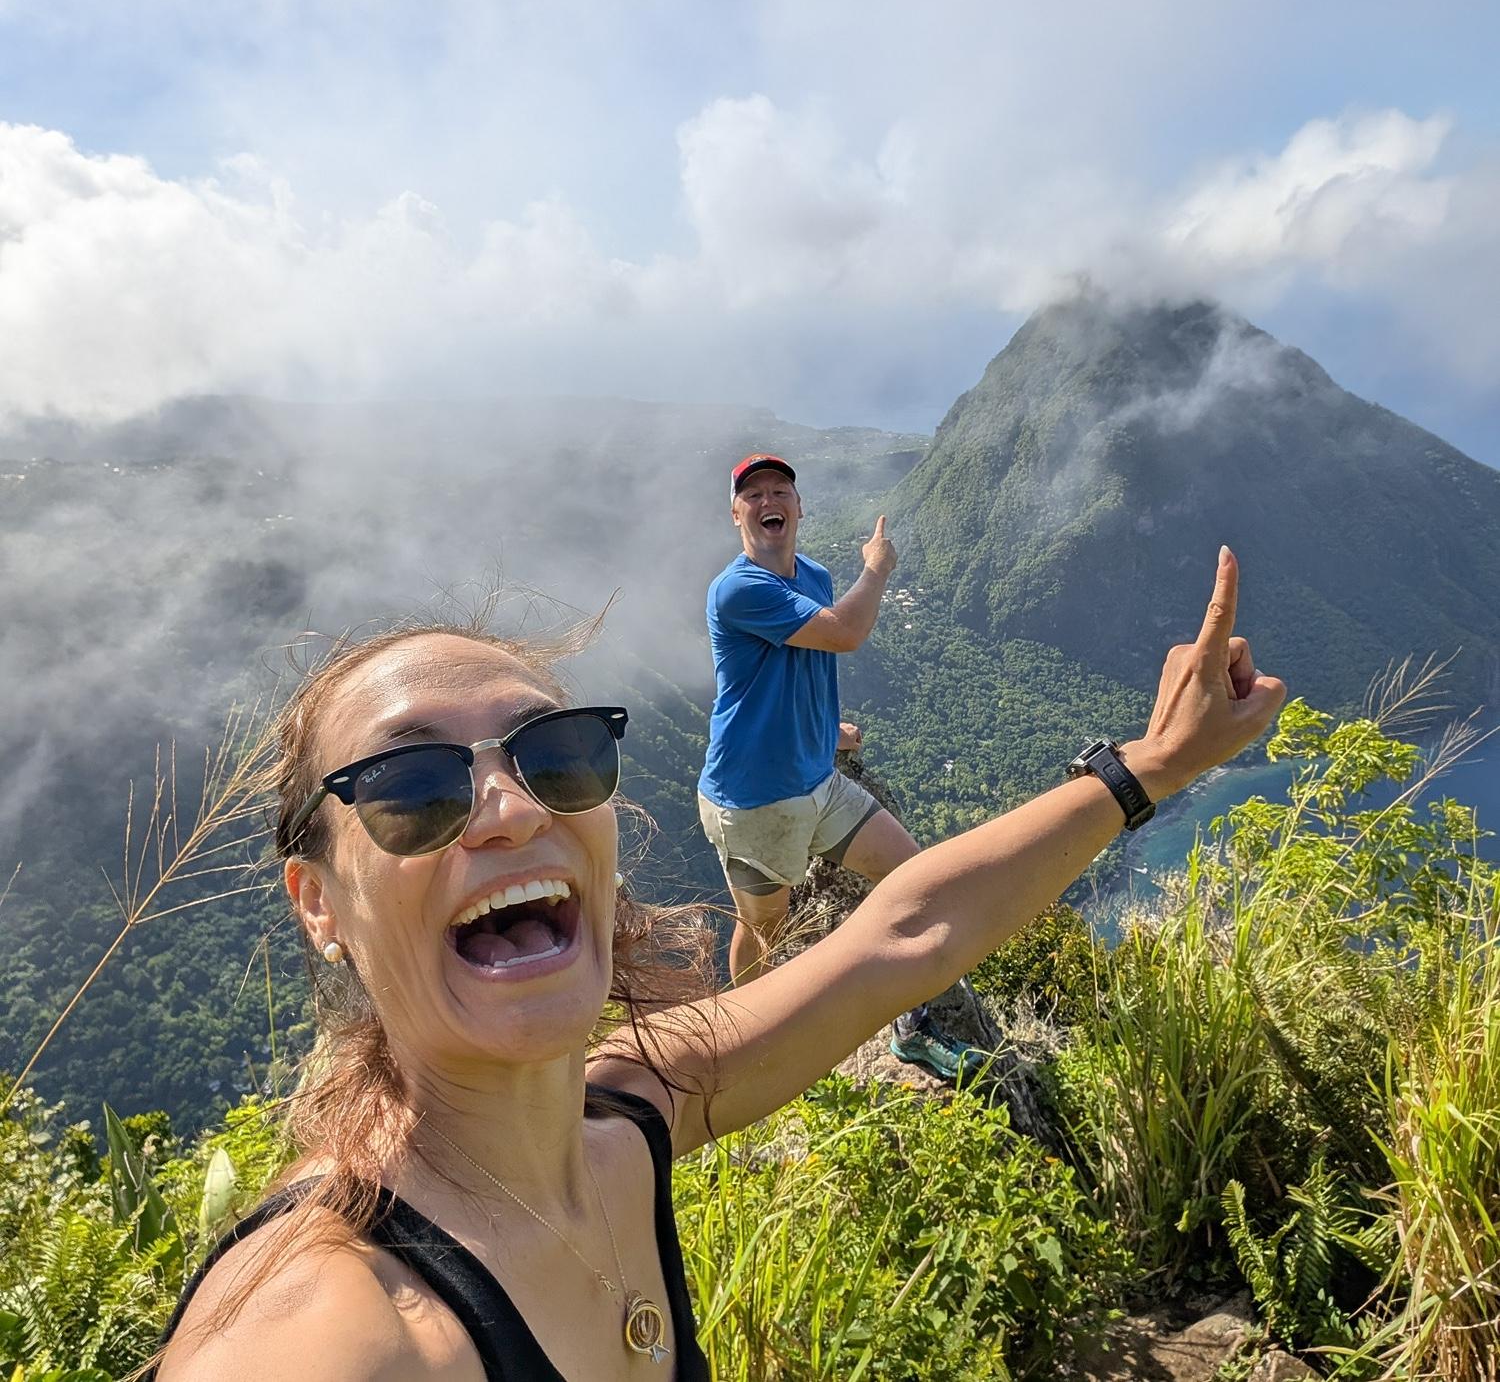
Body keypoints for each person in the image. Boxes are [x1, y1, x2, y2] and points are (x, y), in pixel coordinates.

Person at [155, 548, 1283, 1381]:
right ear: (319, 903)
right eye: (411, 787)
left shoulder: (622, 1119)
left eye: (557, 755)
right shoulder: (335, 1328)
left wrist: (1149, 766)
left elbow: (905, 934)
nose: (511, 809)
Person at [697, 452, 981, 1080]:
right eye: (753, 494)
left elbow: (807, 661)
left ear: (799, 507)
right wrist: (877, 568)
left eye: (780, 490)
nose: (768, 500)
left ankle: (911, 1029)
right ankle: (743, 1039)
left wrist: (826, 734)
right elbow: (846, 633)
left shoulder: (815, 576)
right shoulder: (738, 589)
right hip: (753, 797)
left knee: (914, 878)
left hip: (818, 782)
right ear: (737, 514)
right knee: (764, 927)